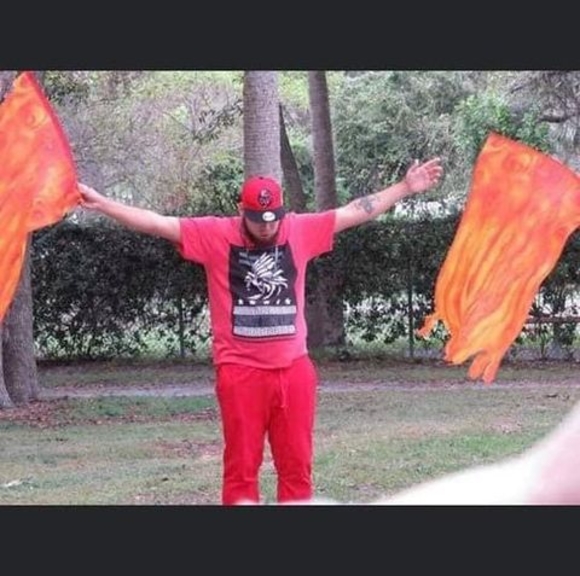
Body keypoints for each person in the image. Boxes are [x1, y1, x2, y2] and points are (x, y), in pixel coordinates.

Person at [78, 157, 443, 505]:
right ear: (242, 211)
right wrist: (104, 204)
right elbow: (157, 223)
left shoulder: (299, 229)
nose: (267, 227)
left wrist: (405, 187)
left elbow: (355, 211)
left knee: (297, 469)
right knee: (241, 471)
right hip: (240, 373)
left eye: (273, 219)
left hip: (294, 372)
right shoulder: (215, 234)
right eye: (257, 220)